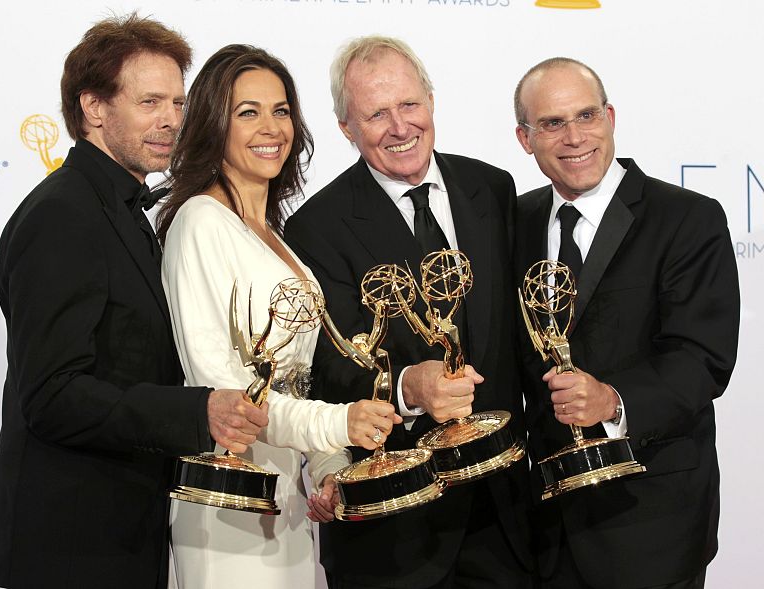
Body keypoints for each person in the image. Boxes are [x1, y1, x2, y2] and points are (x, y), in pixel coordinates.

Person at [0, 14, 273, 589]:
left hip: (117, 536)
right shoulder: (63, 216)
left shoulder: (120, 210)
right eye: (149, 102)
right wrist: (196, 411)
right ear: (94, 108)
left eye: (178, 103)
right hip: (69, 552)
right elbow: (53, 395)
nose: (171, 120)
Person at [284, 35, 534, 589]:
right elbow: (323, 370)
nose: (400, 127)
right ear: (346, 128)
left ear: (431, 100)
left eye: (409, 105)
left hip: (504, 527)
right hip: (394, 536)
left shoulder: (492, 189)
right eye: (376, 114)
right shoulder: (314, 228)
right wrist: (405, 389)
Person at [157, 44, 401, 589]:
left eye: (281, 110)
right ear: (214, 125)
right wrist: (338, 423)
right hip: (228, 508)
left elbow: (299, 378)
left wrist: (330, 467)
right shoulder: (199, 221)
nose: (271, 127)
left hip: (288, 505)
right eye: (248, 112)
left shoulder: (273, 235)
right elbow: (222, 390)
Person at [513, 57, 740, 589]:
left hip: (652, 520)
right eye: (551, 123)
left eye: (586, 116)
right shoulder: (513, 221)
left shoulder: (687, 218)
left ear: (610, 117)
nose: (574, 137)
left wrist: (613, 399)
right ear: (524, 138)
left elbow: (702, 358)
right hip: (545, 528)